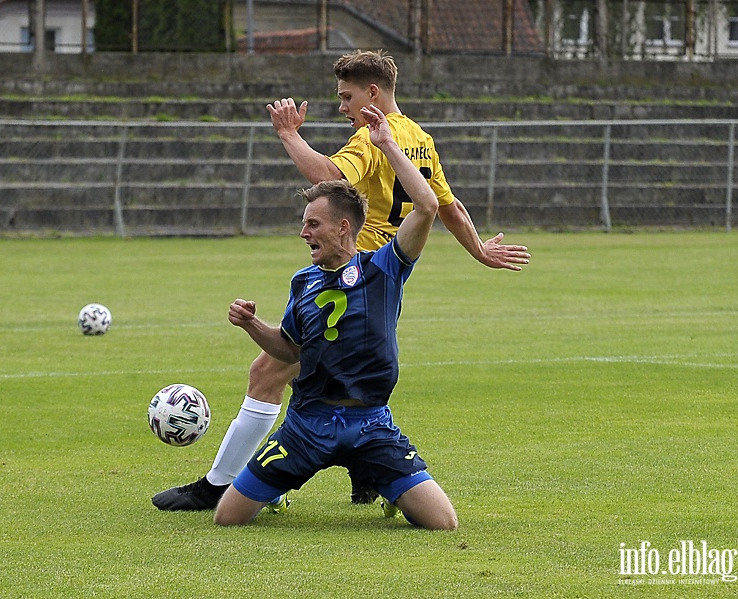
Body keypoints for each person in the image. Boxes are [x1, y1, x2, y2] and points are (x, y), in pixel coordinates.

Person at [152, 50, 529, 511]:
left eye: (346, 96)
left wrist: (289, 135)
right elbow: (445, 204)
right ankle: (362, 471)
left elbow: (331, 180)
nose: (342, 107)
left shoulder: (372, 140)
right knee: (330, 379)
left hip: (354, 276)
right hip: (387, 276)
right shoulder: (418, 138)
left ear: (373, 92)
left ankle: (220, 486)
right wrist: (480, 251)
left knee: (270, 371)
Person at [214, 104, 457, 529]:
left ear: (343, 228)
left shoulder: (384, 268)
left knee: (443, 523)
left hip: (370, 425)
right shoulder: (303, 281)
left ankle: (389, 486)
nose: (303, 233)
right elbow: (289, 349)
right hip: (306, 425)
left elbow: (427, 206)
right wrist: (252, 324)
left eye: (313, 224)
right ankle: (276, 491)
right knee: (227, 519)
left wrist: (388, 145)